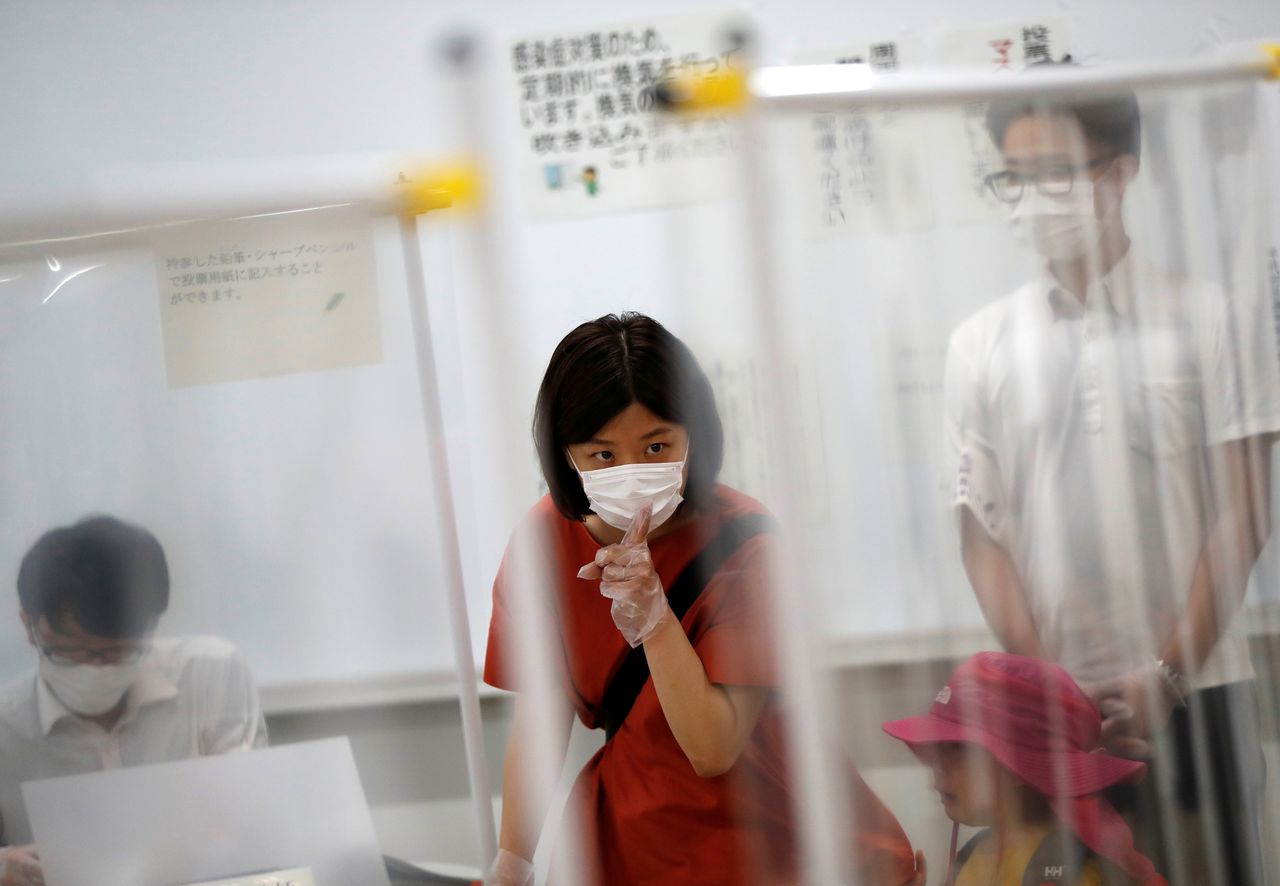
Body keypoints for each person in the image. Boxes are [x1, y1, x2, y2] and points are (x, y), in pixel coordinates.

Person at [944, 68, 1278, 884]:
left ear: (1120, 173)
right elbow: (980, 536)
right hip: (1054, 721)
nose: (1031, 198)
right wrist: (1049, 691)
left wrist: (1165, 673)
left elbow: (1246, 511)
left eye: (1053, 172)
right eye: (1013, 177)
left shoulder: (1212, 318)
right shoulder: (981, 342)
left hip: (1203, 695)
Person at [484, 313, 921, 885]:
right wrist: (511, 864)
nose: (633, 473)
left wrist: (655, 616)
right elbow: (541, 721)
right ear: (564, 454)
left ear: (695, 434)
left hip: (763, 829)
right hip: (633, 828)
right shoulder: (543, 543)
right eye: (602, 456)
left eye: (656, 444)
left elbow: (713, 748)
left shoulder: (747, 543)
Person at [0, 516, 266, 886]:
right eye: (71, 653)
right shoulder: (6, 725)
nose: (96, 669)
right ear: (29, 626)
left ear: (151, 628)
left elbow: (250, 819)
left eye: (116, 653)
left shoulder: (210, 674)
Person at [883, 652, 1167, 886]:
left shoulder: (1063, 863)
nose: (938, 767)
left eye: (958, 748)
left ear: (1019, 766)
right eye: (937, 748)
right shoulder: (972, 856)